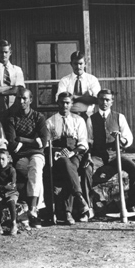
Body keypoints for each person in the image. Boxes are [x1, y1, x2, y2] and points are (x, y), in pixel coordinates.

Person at [85, 89, 135, 220]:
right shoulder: (91, 119)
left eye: (107, 100)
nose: (104, 102)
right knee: (86, 170)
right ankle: (88, 207)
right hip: (98, 156)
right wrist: (89, 153)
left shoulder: (119, 117)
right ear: (97, 101)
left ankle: (130, 206)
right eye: (101, 99)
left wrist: (120, 139)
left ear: (112, 102)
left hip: (115, 154)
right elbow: (88, 140)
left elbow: (128, 138)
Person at [5, 88, 48, 228]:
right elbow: (12, 143)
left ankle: (33, 209)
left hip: (37, 155)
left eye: (24, 98)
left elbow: (44, 141)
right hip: (21, 157)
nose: (21, 101)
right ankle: (34, 212)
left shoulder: (38, 117)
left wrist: (22, 139)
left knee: (35, 165)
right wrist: (33, 141)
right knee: (34, 172)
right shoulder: (12, 118)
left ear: (30, 99)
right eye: (19, 98)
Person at [46, 92, 91, 225]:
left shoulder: (79, 120)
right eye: (61, 102)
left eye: (67, 103)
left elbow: (83, 143)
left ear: (71, 104)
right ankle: (79, 198)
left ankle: (67, 213)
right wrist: (58, 151)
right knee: (67, 165)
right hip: (58, 156)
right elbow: (47, 144)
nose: (64, 105)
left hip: (75, 154)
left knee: (70, 168)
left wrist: (72, 153)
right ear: (57, 103)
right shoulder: (50, 122)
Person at [0, 40, 25, 121]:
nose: (3, 55)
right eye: (1, 52)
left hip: (14, 106)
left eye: (6, 52)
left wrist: (1, 90)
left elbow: (19, 89)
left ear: (10, 52)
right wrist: (12, 87)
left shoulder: (17, 70)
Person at [56, 51, 101, 119]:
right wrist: (86, 98)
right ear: (71, 64)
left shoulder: (92, 79)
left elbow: (97, 100)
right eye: (75, 64)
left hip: (88, 116)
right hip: (69, 116)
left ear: (85, 64)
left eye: (80, 63)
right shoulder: (64, 80)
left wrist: (75, 97)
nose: (78, 66)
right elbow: (60, 100)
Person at [0, 148, 19, 236]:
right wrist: (4, 187)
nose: (1, 161)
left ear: (8, 159)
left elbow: (12, 185)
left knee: (11, 201)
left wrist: (2, 187)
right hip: (0, 193)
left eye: (3, 159)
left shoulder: (11, 170)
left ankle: (14, 223)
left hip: (11, 193)